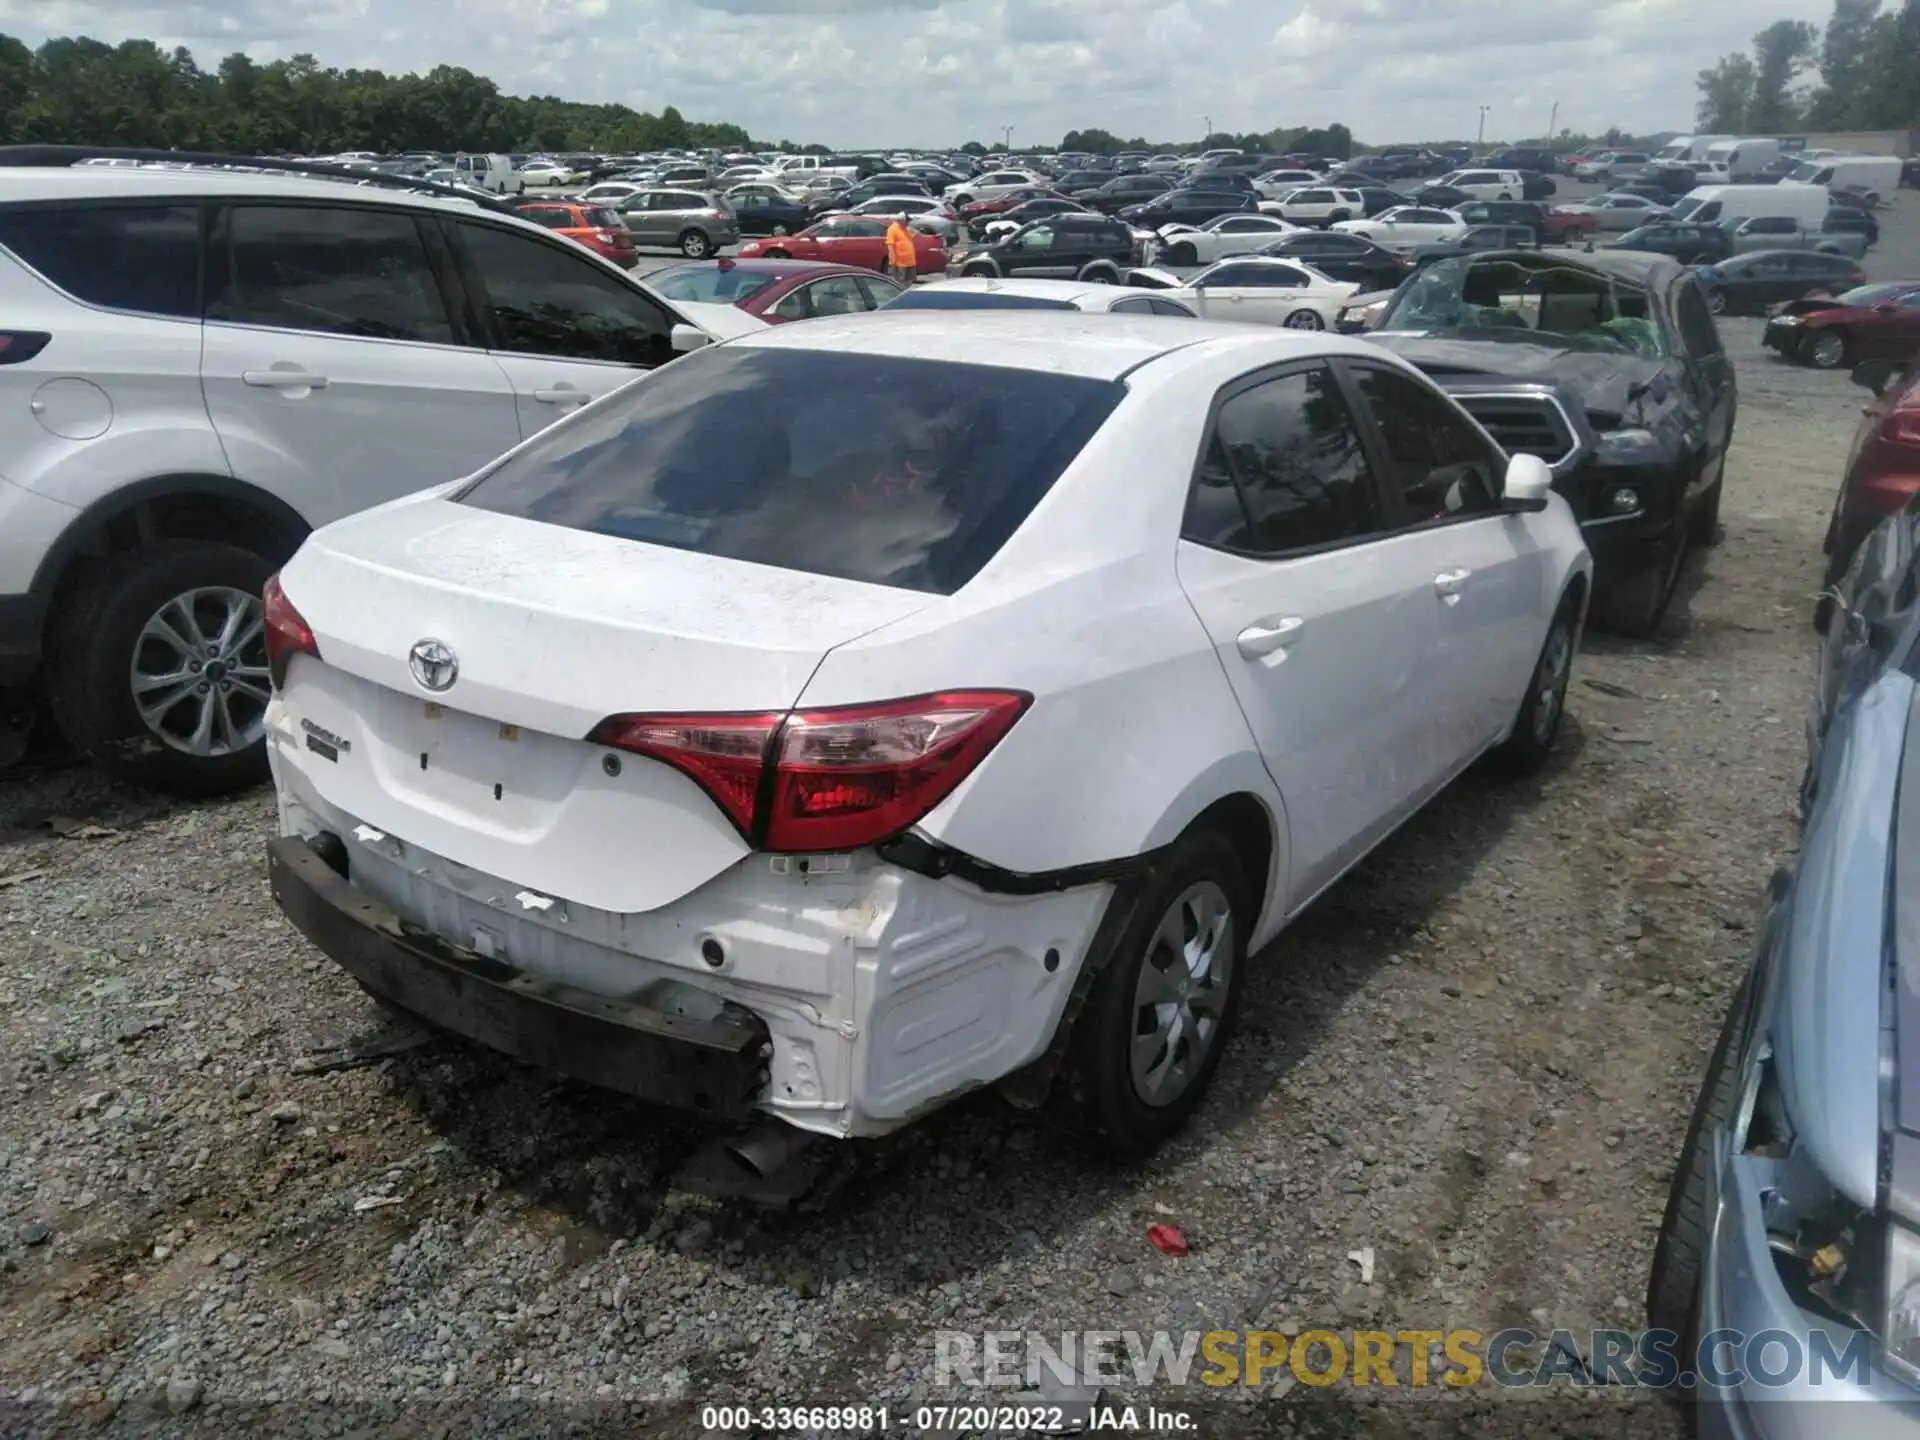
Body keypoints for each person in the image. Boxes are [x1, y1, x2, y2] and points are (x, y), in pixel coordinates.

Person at [884, 214, 918, 284]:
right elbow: (890, 244)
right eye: (907, 221)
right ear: (901, 221)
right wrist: (892, 259)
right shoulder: (892, 229)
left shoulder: (905, 229)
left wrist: (910, 228)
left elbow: (914, 234)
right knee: (900, 283)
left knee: (909, 282)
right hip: (900, 263)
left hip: (910, 262)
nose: (908, 223)